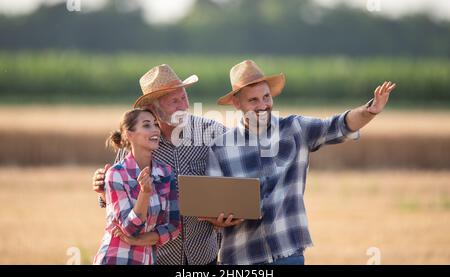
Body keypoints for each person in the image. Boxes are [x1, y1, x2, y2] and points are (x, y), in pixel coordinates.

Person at [205, 59, 396, 265]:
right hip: (241, 258)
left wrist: (370, 111)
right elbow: (213, 206)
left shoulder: (295, 128)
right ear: (237, 103)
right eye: (253, 100)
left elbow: (338, 125)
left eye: (266, 97)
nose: (263, 105)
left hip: (289, 253)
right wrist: (218, 220)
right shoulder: (220, 147)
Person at [92, 64, 239, 265]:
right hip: (158, 257)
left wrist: (226, 213)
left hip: (204, 255)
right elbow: (116, 199)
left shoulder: (213, 132)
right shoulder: (135, 143)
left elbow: (237, 178)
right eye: (174, 101)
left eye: (184, 98)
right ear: (153, 109)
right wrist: (102, 190)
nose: (184, 106)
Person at [93, 108, 180, 265]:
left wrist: (140, 240)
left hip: (148, 260)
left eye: (155, 125)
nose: (155, 129)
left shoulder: (166, 173)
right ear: (129, 134)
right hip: (116, 258)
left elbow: (173, 226)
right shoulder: (116, 174)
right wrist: (144, 193)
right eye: (146, 125)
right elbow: (129, 229)